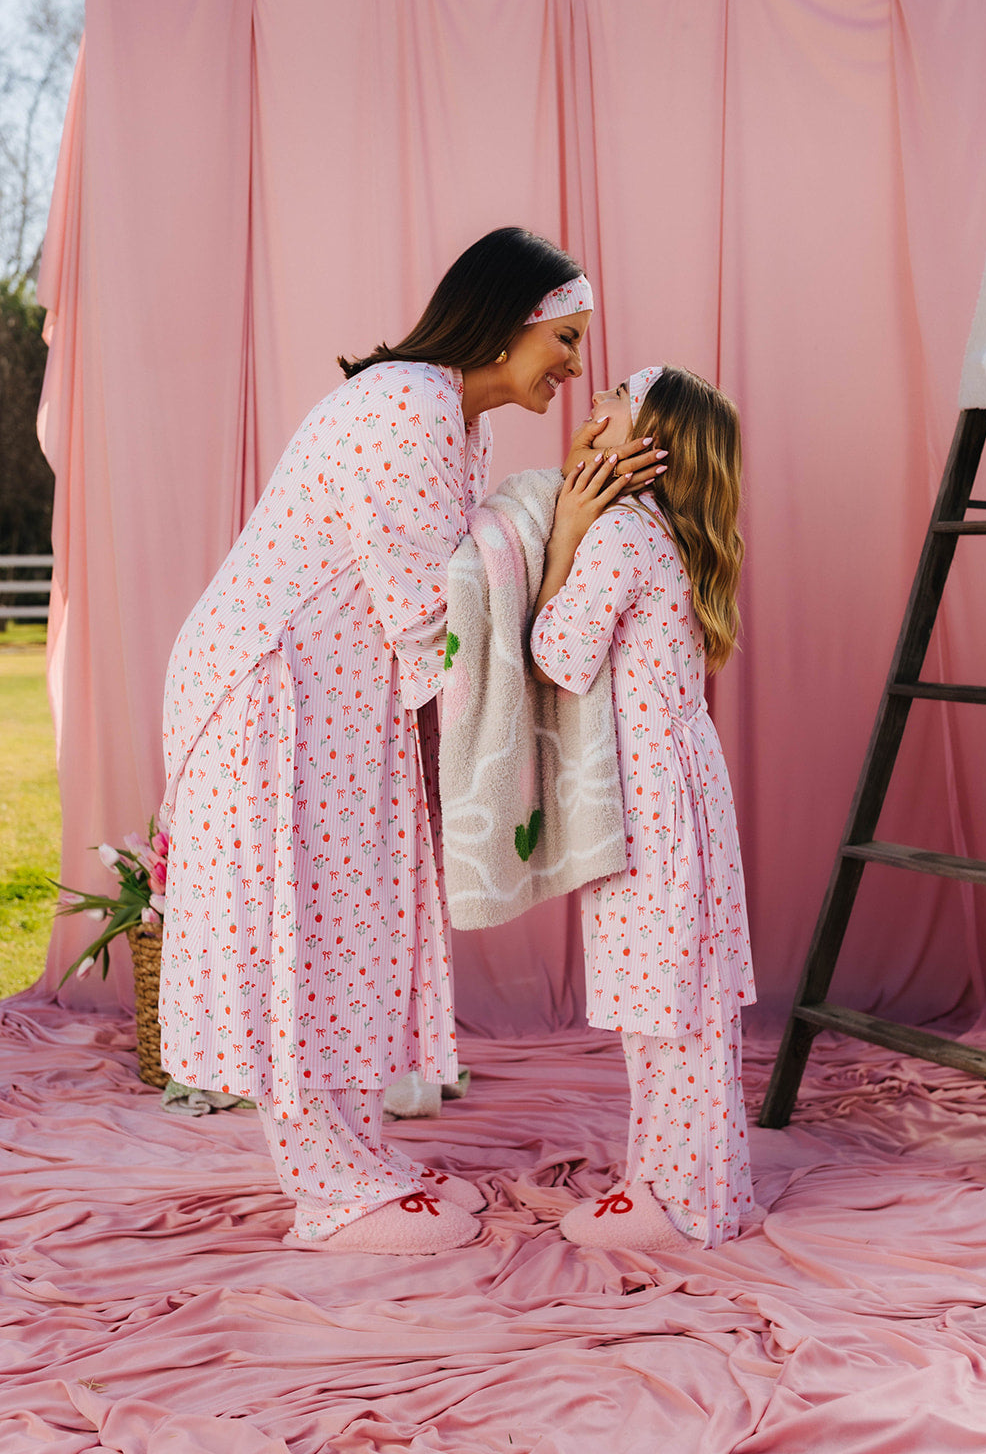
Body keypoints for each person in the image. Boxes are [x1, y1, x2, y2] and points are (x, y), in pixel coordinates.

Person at [158, 228, 657, 1256]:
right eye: (563, 340)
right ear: (508, 321)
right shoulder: (409, 409)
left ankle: (363, 1162)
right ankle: (330, 1191)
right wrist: (565, 535)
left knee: (347, 919)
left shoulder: (452, 416)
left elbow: (449, 585)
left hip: (336, 696)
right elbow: (430, 611)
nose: (573, 368)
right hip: (272, 689)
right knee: (298, 931)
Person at [530, 365, 756, 1251]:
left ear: (651, 443)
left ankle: (669, 1196)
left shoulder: (621, 534)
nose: (595, 403)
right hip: (685, 786)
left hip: (649, 802)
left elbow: (557, 654)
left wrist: (564, 537)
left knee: (660, 1000)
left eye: (615, 398)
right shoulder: (666, 534)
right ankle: (691, 1183)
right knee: (685, 996)